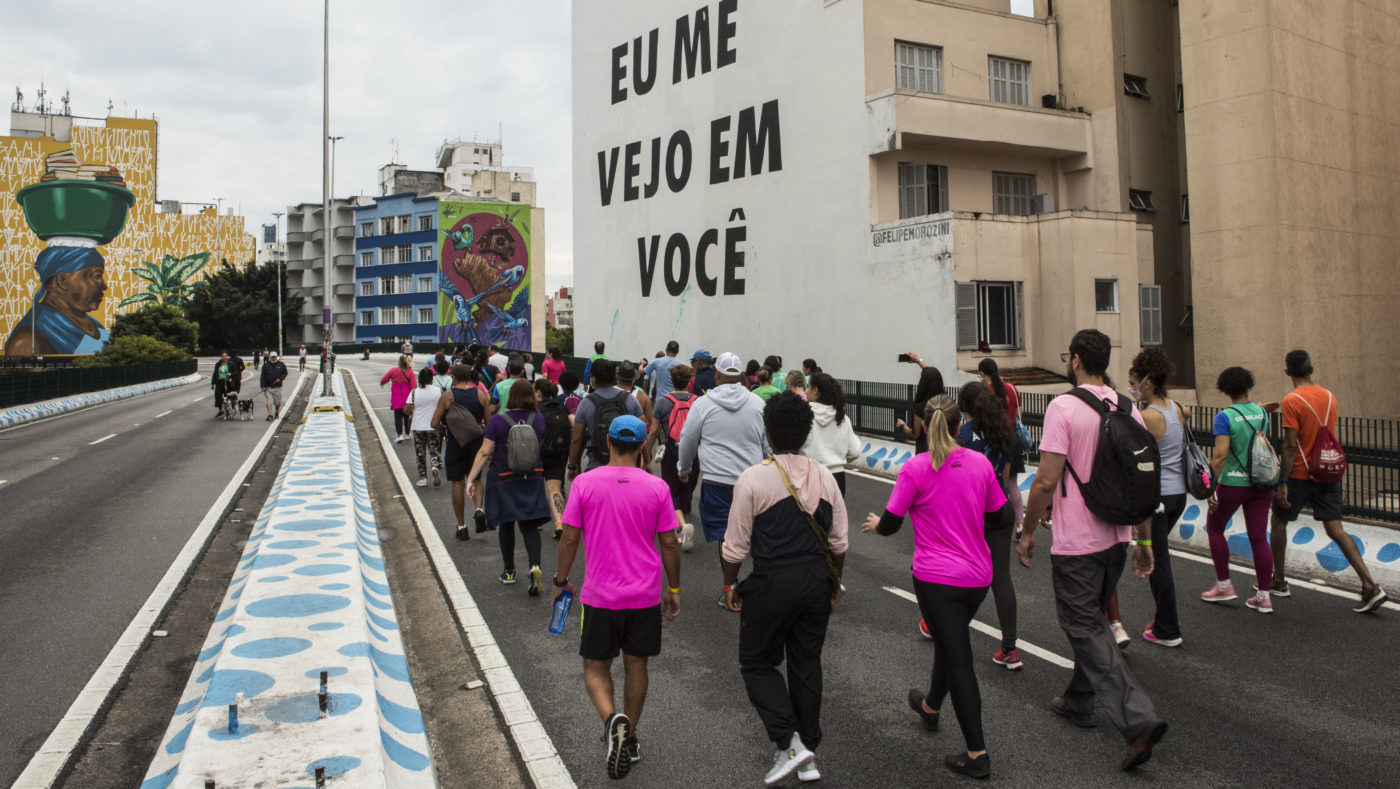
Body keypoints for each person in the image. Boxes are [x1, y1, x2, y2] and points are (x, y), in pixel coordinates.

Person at [1017, 329, 1167, 771]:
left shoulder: (1063, 407)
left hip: (1077, 542)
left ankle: (1137, 721)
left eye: (1068, 356)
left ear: (1077, 360)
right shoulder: (1127, 407)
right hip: (1116, 538)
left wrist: (1027, 532)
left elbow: (1045, 480)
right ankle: (1079, 700)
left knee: (1082, 624)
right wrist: (1142, 540)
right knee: (1093, 622)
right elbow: (1141, 479)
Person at [863, 394, 1005, 780]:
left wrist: (877, 524)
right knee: (950, 641)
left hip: (936, 579)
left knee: (958, 657)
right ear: (961, 426)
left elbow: (892, 522)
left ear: (924, 425)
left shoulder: (915, 468)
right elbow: (1001, 515)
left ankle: (977, 754)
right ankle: (929, 707)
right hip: (978, 577)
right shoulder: (980, 464)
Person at [723, 392, 848, 785]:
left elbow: (735, 547)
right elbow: (839, 542)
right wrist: (834, 582)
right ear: (807, 432)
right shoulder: (825, 476)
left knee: (757, 663)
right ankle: (807, 754)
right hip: (815, 581)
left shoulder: (753, 478)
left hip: (772, 580)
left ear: (767, 431)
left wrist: (730, 583)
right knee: (806, 664)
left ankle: (788, 740)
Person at [552, 415, 681, 781]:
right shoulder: (657, 488)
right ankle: (631, 736)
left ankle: (612, 720)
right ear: (643, 446)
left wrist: (561, 580)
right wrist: (673, 590)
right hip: (643, 596)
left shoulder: (584, 483)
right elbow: (669, 541)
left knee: (595, 668)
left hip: (599, 595)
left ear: (607, 442)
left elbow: (570, 538)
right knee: (636, 665)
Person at [1269, 350, 1387, 612]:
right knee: (1335, 528)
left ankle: (1278, 580)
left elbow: (1290, 445)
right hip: (1328, 471)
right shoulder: (1330, 396)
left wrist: (1283, 482)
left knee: (1279, 521)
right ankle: (1370, 585)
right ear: (1312, 369)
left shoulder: (1292, 400)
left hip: (1300, 474)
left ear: (1287, 372)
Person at [951, 382, 1023, 669]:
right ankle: (1010, 648)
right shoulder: (1003, 433)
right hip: (1000, 509)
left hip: (972, 513)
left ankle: (941, 624)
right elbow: (1005, 480)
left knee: (958, 571)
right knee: (1001, 578)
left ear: (963, 408)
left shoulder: (962, 436)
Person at [1122, 348, 1190, 644]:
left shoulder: (1146, 416)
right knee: (1161, 557)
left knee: (1158, 562)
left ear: (1146, 382)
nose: (1132, 388)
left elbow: (1137, 459)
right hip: (1179, 495)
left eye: (1133, 382)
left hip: (1158, 498)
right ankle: (1162, 620)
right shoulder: (1176, 408)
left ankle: (1168, 628)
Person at [677, 352, 769, 565]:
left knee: (725, 536)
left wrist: (684, 469)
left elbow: (688, 439)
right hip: (752, 480)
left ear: (717, 374)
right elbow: (767, 443)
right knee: (755, 532)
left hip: (716, 481)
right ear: (740, 375)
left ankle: (730, 586)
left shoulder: (703, 404)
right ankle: (758, 583)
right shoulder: (757, 404)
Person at [1202, 366, 1276, 614]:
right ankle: (1264, 596)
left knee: (1214, 527)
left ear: (1225, 389)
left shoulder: (1224, 417)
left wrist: (1210, 486)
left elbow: (1221, 454)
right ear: (1248, 385)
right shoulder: (1263, 414)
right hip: (1262, 482)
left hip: (1233, 482)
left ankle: (1224, 585)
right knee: (1258, 536)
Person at [467, 379, 553, 593]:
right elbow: (536, 447)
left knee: (507, 523)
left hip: (503, 476)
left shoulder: (497, 421)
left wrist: (471, 478)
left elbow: (485, 451)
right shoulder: (538, 419)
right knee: (530, 523)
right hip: (531, 477)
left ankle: (509, 572)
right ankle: (535, 567)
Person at [3, 245, 109, 355]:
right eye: (97, 276)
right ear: (62, 281)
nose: (104, 285)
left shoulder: (94, 325)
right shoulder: (27, 342)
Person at [433, 361, 491, 539]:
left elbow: (434, 423)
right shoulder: (481, 395)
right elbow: (488, 424)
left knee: (457, 483)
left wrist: (447, 430)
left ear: (454, 377)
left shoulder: (447, 396)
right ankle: (479, 510)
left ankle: (461, 527)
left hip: (455, 444)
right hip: (476, 444)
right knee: (477, 480)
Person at [643, 364, 698, 551]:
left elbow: (653, 431)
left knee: (670, 490)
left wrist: (647, 455)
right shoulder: (698, 401)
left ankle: (681, 527)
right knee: (687, 487)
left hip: (671, 450)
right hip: (694, 451)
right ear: (690, 380)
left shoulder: (663, 402)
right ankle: (685, 522)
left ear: (672, 380)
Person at [569, 360, 644, 475]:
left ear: (593, 379)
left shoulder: (586, 403)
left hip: (596, 465)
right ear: (614, 376)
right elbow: (642, 432)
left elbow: (576, 439)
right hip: (628, 467)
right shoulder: (629, 399)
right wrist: (647, 461)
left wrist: (572, 466)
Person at [977, 358, 1025, 528]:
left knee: (994, 483)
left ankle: (997, 520)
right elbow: (1019, 413)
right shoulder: (1011, 388)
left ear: (982, 374)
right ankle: (1020, 524)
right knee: (1012, 483)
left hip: (995, 438)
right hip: (1013, 436)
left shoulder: (985, 393)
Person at [801, 374, 861, 495]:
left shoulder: (802, 414)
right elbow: (855, 451)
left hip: (809, 475)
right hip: (837, 478)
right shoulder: (843, 418)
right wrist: (837, 458)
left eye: (808, 387)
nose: (806, 391)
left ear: (816, 390)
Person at [535, 379, 571, 539]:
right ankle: (559, 523)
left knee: (537, 486)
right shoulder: (562, 407)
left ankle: (538, 520)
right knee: (555, 489)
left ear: (538, 393)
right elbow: (574, 422)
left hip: (539, 452)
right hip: (558, 451)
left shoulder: (536, 409)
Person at [895, 365, 947, 455]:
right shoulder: (946, 402)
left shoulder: (920, 407)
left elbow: (916, 434)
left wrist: (903, 425)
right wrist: (918, 361)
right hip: (944, 449)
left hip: (925, 450)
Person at [407, 368, 445, 488]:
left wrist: (413, 408)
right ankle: (434, 465)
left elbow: (406, 409)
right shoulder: (438, 391)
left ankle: (423, 478)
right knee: (434, 449)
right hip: (433, 425)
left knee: (420, 453)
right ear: (432, 378)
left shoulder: (414, 392)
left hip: (418, 425)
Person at [380, 355, 417, 443]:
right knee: (407, 415)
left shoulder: (393, 370)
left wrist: (382, 383)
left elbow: (384, 379)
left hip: (396, 396)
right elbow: (414, 386)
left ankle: (399, 435)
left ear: (399, 363)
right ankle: (407, 434)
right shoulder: (410, 372)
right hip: (406, 396)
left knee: (398, 416)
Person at [616, 360, 654, 435]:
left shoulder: (608, 392)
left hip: (612, 439)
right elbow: (654, 426)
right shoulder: (643, 397)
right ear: (633, 379)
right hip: (633, 440)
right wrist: (647, 445)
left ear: (617, 377)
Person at [260, 351, 288, 421]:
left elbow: (285, 373)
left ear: (276, 357)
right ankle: (270, 415)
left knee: (277, 402)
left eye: (274, 357)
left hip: (277, 387)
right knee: (268, 401)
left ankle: (277, 412)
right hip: (268, 387)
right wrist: (262, 386)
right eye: (272, 357)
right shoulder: (265, 365)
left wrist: (280, 379)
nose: (273, 358)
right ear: (270, 357)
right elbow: (262, 376)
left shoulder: (281, 364)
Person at [211, 352, 235, 417]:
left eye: (225, 356)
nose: (224, 357)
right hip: (219, 381)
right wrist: (213, 383)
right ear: (221, 357)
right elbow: (215, 373)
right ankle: (220, 410)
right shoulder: (218, 364)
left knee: (227, 396)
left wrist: (231, 374)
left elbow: (235, 372)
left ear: (227, 357)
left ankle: (229, 410)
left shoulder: (230, 364)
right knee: (218, 396)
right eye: (223, 356)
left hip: (227, 382)